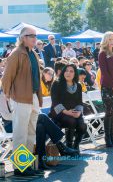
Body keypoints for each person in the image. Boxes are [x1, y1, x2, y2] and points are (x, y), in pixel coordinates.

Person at [1, 26, 42, 176]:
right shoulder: (16, 53)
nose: (34, 38)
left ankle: (28, 164)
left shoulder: (33, 53)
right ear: (23, 37)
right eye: (31, 35)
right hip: (20, 98)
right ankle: (20, 167)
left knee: (31, 132)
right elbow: (6, 77)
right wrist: (7, 93)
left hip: (34, 97)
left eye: (35, 35)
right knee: (20, 133)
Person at [50, 64, 87, 153]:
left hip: (74, 112)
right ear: (63, 72)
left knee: (83, 126)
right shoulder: (57, 83)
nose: (68, 73)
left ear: (75, 74)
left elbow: (79, 102)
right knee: (72, 121)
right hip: (60, 113)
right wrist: (66, 112)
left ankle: (76, 146)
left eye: (71, 71)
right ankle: (69, 146)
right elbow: (55, 101)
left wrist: (78, 111)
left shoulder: (78, 85)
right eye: (66, 71)